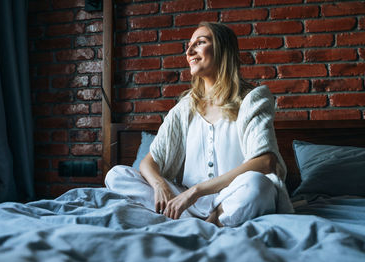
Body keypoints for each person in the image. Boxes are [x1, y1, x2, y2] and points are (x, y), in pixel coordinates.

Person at [105, 22, 294, 227]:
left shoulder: (252, 99)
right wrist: (161, 186)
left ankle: (208, 218)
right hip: (187, 202)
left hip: (232, 196)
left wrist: (195, 192)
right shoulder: (185, 107)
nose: (189, 51)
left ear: (223, 49)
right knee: (117, 175)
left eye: (200, 42)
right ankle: (205, 221)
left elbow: (265, 162)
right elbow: (148, 163)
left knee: (259, 186)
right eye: (189, 45)